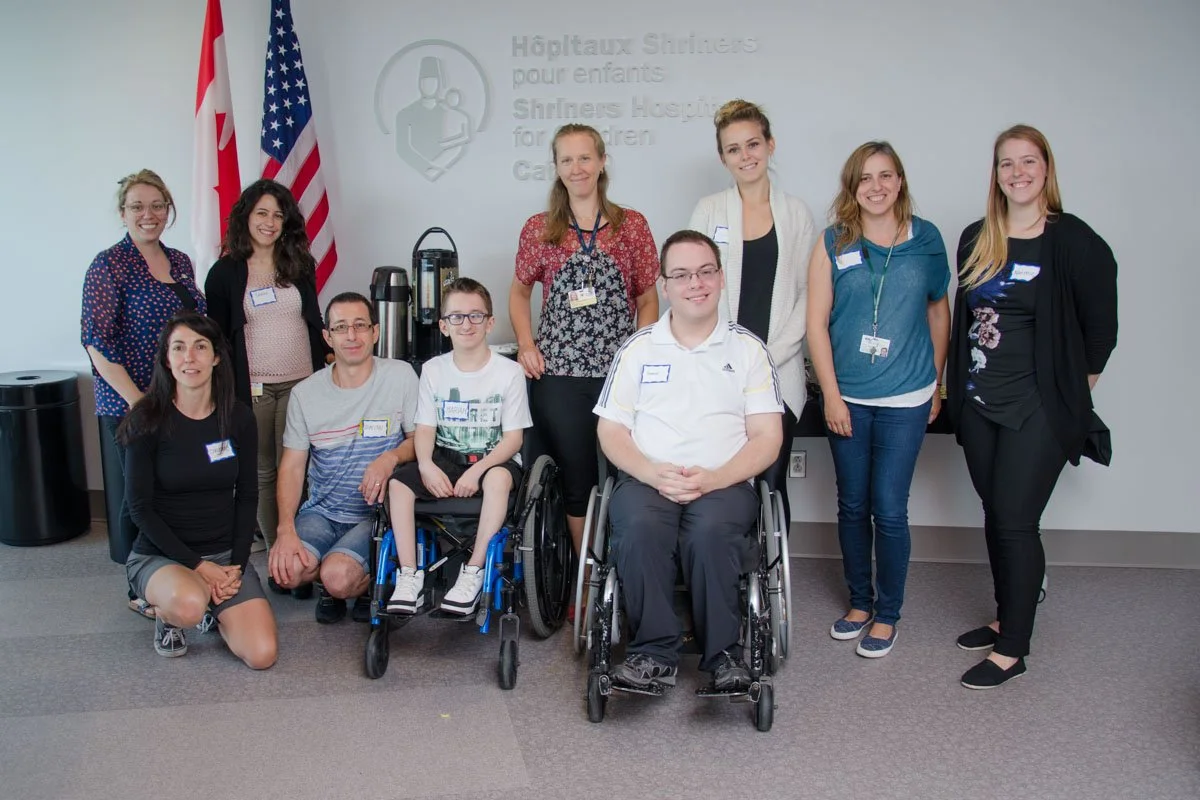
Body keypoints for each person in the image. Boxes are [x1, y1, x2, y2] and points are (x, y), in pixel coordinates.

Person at [947, 124, 1117, 689]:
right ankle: (1005, 616)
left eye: (1028, 162)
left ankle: (1013, 649)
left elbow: (1101, 332)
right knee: (997, 516)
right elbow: (965, 321)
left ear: (1046, 168)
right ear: (994, 174)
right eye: (1006, 164)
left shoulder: (1072, 242)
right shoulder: (977, 237)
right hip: (979, 403)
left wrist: (1071, 391)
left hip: (1038, 408)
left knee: (1018, 523)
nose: (1017, 173)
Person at [594, 230, 783, 692]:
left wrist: (716, 477)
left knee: (710, 532)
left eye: (704, 272)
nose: (694, 283)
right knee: (637, 528)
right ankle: (652, 654)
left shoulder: (748, 350)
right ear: (664, 285)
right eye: (681, 274)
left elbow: (767, 438)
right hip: (647, 479)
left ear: (720, 278)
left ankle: (724, 659)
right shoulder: (637, 349)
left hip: (724, 483)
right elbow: (611, 430)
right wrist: (649, 471)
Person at [806, 141, 951, 659]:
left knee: (889, 509)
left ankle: (888, 614)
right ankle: (860, 603)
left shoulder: (926, 239)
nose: (876, 186)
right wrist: (830, 396)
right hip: (848, 398)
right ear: (853, 186)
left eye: (886, 175)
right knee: (851, 505)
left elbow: (938, 313)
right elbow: (815, 324)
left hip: (907, 397)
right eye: (866, 177)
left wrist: (937, 383)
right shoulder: (832, 242)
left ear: (900, 182)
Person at [510, 123, 660, 561]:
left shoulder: (631, 226)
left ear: (602, 161)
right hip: (560, 374)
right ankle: (586, 574)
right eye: (567, 160)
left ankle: (628, 567)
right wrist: (525, 343)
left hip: (619, 374)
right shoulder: (540, 228)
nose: (577, 168)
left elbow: (648, 297)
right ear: (556, 168)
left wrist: (639, 352)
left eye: (585, 158)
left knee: (626, 474)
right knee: (577, 478)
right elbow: (519, 292)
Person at [81, 169, 206, 620]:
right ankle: (138, 583)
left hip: (181, 399)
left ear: (168, 210)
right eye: (137, 206)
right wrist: (137, 400)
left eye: (157, 205)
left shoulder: (181, 263)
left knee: (172, 488)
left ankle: (172, 568)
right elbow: (97, 342)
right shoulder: (108, 265)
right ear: (123, 213)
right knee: (139, 494)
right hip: (130, 403)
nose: (148, 214)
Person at [120, 312, 276, 668]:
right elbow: (139, 509)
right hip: (163, 556)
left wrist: (235, 564)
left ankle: (213, 605)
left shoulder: (237, 418)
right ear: (167, 359)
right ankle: (170, 615)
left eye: (200, 347)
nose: (189, 357)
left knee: (262, 655)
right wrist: (199, 567)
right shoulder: (146, 420)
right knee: (188, 606)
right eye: (179, 348)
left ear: (216, 356)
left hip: (222, 556)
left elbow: (248, 494)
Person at [688, 99, 817, 527]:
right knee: (725, 482)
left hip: (778, 371)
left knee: (771, 482)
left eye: (753, 144)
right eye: (734, 149)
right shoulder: (709, 211)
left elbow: (807, 295)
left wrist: (765, 355)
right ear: (723, 157)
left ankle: (771, 580)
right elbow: (693, 287)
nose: (746, 156)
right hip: (719, 368)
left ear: (770, 145)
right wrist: (728, 353)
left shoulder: (796, 214)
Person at [204, 179, 331, 586]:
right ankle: (282, 556)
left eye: (278, 215)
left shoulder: (298, 264)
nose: (270, 222)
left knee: (297, 467)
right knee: (261, 471)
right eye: (262, 213)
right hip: (254, 388)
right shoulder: (225, 273)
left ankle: (298, 546)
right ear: (246, 217)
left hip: (302, 386)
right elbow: (218, 337)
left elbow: (313, 322)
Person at [267, 292, 420, 624]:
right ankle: (333, 574)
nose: (352, 336)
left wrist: (389, 458)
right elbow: (292, 467)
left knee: (337, 577)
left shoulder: (400, 376)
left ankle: (352, 582)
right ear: (328, 336)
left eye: (360, 325)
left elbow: (418, 442)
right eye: (341, 327)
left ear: (375, 332)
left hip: (374, 514)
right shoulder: (305, 394)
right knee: (287, 571)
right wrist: (285, 529)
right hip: (322, 512)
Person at [385, 278, 532, 614]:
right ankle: (409, 575)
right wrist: (426, 464)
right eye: (457, 317)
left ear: (490, 322)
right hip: (445, 458)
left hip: (493, 460)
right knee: (398, 484)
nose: (466, 324)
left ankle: (474, 569)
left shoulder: (509, 373)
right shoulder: (434, 370)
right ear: (443, 325)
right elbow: (424, 428)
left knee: (496, 479)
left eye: (476, 316)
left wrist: (479, 470)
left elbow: (514, 439)